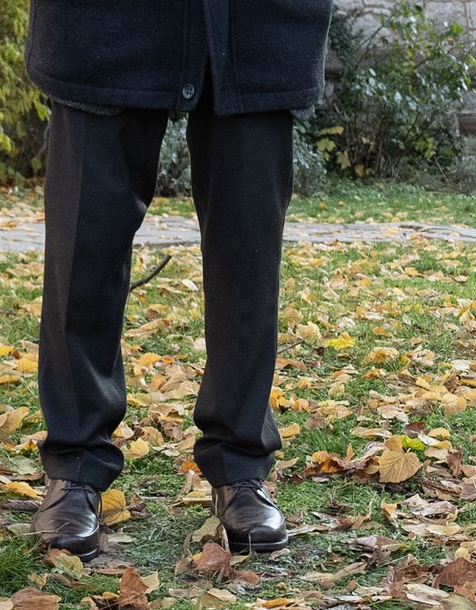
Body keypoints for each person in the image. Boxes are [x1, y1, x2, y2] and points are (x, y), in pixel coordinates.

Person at [23, 0, 333, 557]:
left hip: (256, 26)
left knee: (249, 260)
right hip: (100, 27)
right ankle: (74, 467)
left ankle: (241, 466)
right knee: (83, 249)